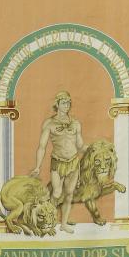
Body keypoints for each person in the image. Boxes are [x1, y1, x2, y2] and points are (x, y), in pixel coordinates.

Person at [30, 90, 84, 233]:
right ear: (57, 104)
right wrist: (37, 167)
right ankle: (51, 219)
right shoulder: (49, 123)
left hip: (73, 162)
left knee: (69, 194)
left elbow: (79, 145)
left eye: (68, 103)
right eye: (64, 103)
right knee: (57, 193)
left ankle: (64, 223)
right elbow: (42, 147)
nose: (67, 106)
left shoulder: (76, 124)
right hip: (58, 162)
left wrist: (91, 149)